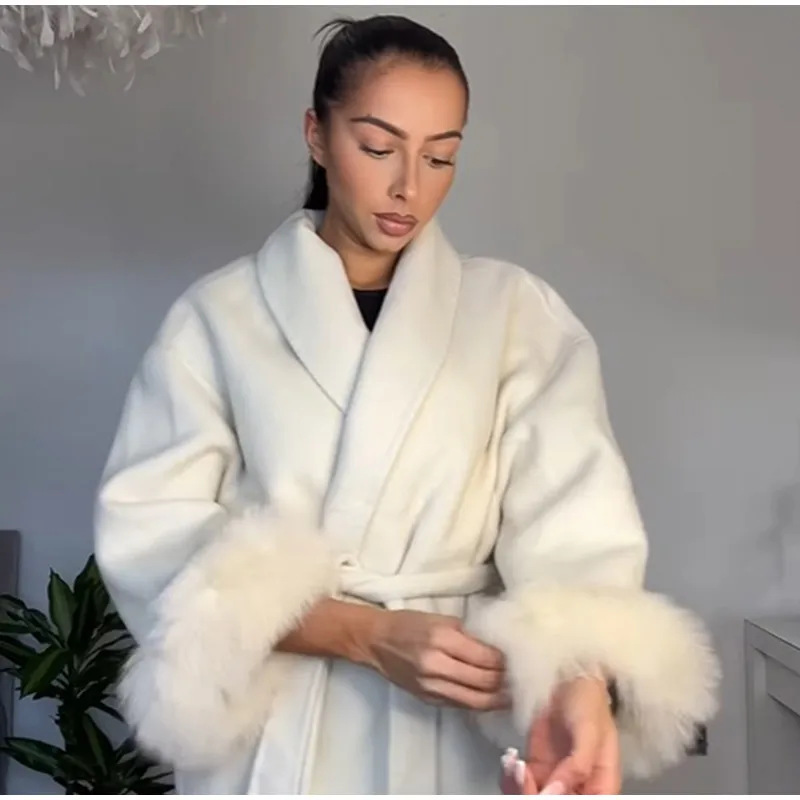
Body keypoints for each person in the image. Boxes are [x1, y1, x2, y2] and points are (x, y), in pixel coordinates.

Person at [94, 14, 720, 796]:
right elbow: (151, 533)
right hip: (278, 742)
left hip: (458, 721)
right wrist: (363, 633)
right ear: (317, 135)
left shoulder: (517, 316)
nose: (409, 188)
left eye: (440, 156)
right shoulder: (217, 320)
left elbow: (577, 530)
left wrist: (579, 682)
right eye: (378, 147)